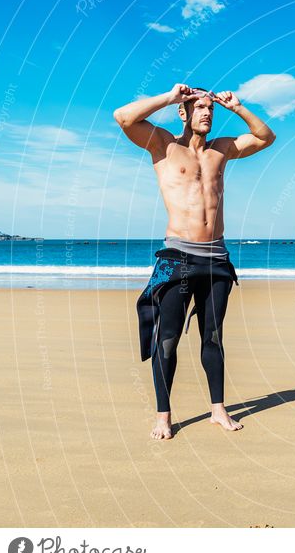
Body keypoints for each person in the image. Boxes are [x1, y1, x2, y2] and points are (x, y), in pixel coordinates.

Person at [114, 83, 276, 439]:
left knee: (213, 338)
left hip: (216, 257)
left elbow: (265, 137)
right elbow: (123, 117)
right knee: (168, 339)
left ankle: (218, 409)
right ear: (184, 113)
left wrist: (239, 108)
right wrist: (170, 97)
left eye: (210, 108)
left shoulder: (222, 149)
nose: (206, 112)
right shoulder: (163, 145)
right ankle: (163, 416)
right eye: (199, 107)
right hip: (179, 258)